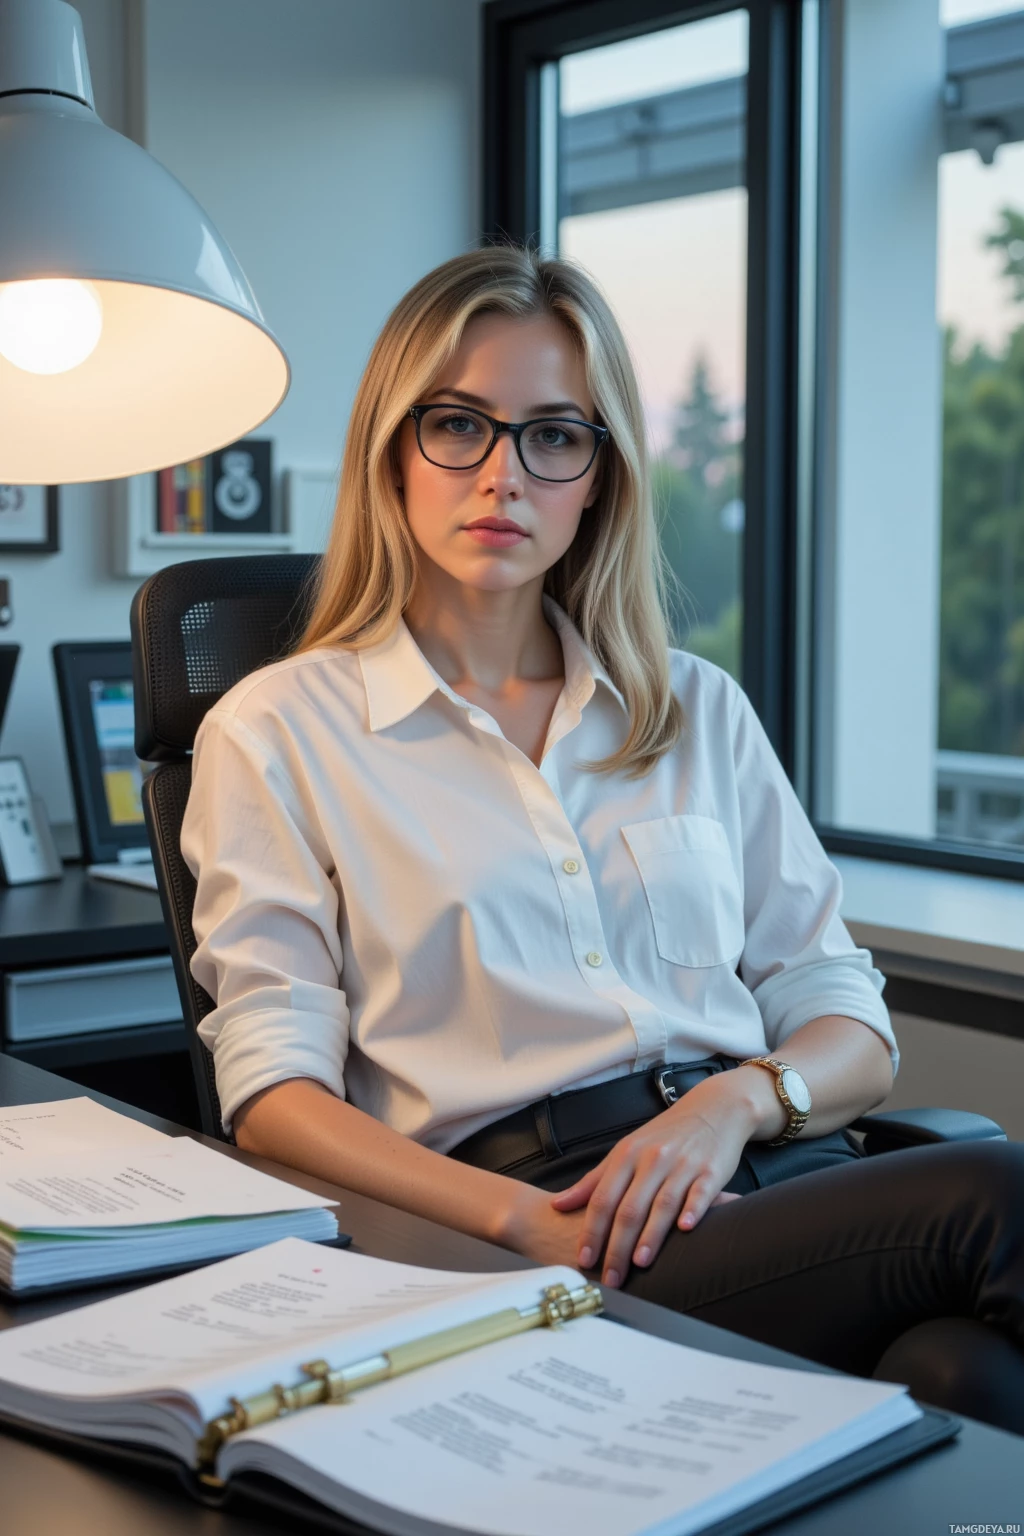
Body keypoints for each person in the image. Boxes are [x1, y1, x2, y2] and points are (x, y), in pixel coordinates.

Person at [181, 246, 1024, 1434]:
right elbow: (271, 1095)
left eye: (553, 437)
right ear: (392, 449)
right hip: (543, 1219)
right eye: (458, 426)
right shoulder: (278, 731)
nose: (503, 475)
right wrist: (514, 1220)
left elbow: (848, 1021)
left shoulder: (691, 708)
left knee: (965, 1378)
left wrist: (732, 1103)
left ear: (598, 476)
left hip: (771, 1175)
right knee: (993, 1192)